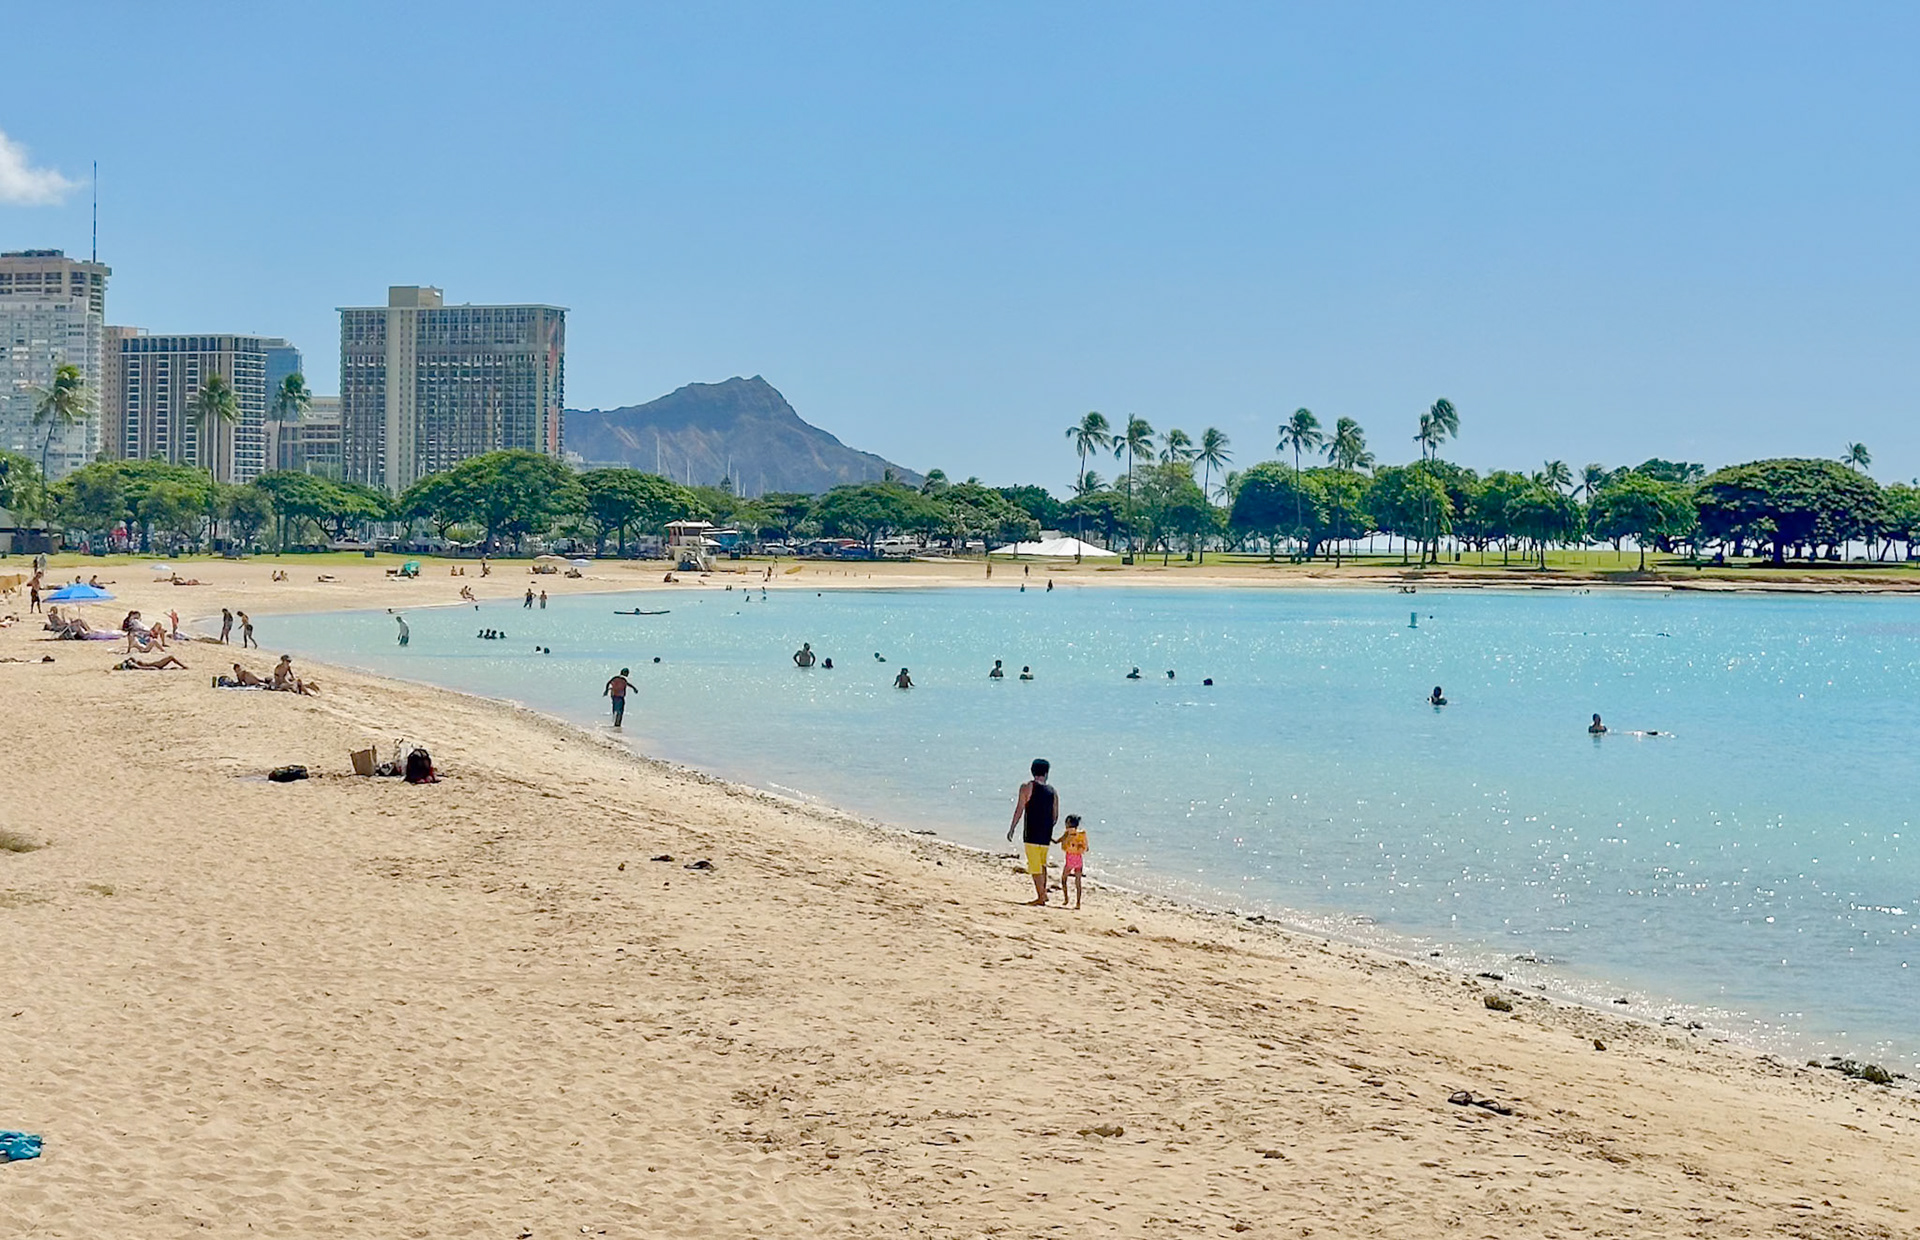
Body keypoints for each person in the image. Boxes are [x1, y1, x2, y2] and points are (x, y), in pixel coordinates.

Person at [1007, 758, 1058, 907]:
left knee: (1035, 866)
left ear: (1032, 771)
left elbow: (1019, 809)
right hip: (1045, 834)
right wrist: (1048, 827)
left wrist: (1012, 828)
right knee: (1042, 864)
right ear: (1046, 773)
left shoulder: (1027, 787)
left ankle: (1041, 896)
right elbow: (1055, 815)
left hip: (1032, 832)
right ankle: (1043, 893)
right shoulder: (1052, 791)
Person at [1058, 814, 1088, 909]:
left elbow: (1058, 841)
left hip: (1070, 859)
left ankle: (1066, 899)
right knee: (1078, 882)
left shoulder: (1067, 833)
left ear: (1068, 823)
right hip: (1079, 860)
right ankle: (1078, 903)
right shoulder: (1081, 835)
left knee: (1064, 879)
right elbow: (1086, 849)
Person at [115, 654, 187, 671]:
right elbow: (142, 668)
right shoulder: (135, 665)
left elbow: (131, 658)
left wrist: (126, 661)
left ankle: (183, 666)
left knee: (171, 658)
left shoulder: (133, 663)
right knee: (171, 657)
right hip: (155, 665)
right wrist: (153, 668)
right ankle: (183, 666)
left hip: (155, 664)